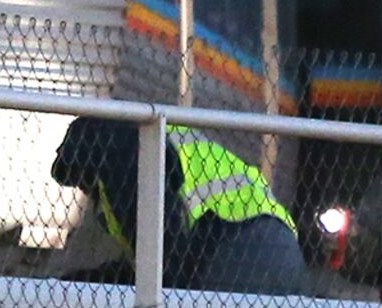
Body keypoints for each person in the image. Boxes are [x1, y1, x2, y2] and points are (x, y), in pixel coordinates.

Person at [49, 114, 320, 296]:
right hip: (278, 244)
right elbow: (149, 268)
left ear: (89, 158)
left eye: (80, 177)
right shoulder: (152, 139)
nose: (83, 188)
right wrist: (77, 284)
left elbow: (164, 261)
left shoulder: (123, 156)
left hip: (238, 245)